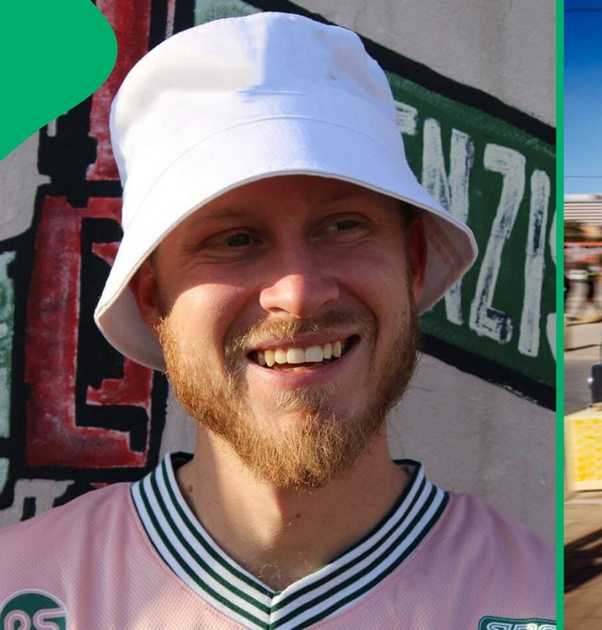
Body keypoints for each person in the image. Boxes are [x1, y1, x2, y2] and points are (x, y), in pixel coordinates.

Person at [0, 13, 554, 629]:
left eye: (344, 225)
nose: (299, 293)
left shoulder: (541, 597)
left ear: (414, 261)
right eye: (234, 239)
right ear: (153, 296)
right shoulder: (23, 588)